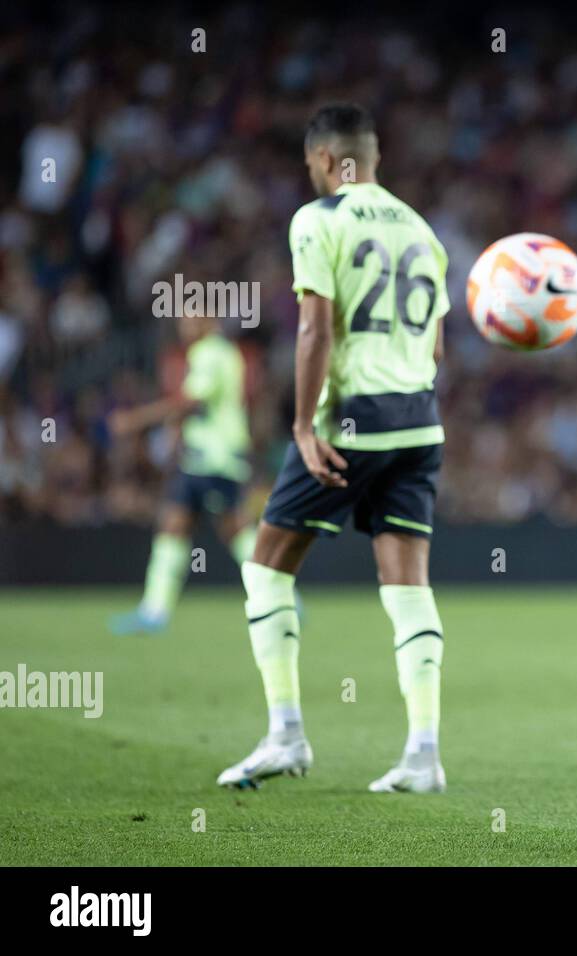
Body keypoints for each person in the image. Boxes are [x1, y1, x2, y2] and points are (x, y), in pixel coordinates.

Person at [217, 103, 452, 793]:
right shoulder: (422, 230)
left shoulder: (318, 220)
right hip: (420, 421)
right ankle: (424, 753)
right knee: (409, 589)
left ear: (325, 159)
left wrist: (301, 425)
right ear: (371, 159)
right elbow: (436, 345)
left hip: (353, 420)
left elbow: (315, 328)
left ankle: (286, 734)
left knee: (266, 568)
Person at [109, 307, 254, 634]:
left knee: (235, 529)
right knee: (174, 525)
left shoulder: (209, 353)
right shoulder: (224, 352)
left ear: (208, 321)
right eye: (183, 321)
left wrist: (135, 420)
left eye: (192, 320)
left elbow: (190, 403)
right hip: (205, 457)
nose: (185, 327)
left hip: (214, 457)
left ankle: (279, 597)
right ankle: (154, 611)